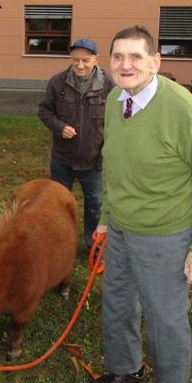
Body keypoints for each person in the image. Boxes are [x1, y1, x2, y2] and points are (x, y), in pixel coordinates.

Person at [89, 26, 192, 383]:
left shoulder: (183, 109)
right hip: (123, 229)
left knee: (165, 320)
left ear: (155, 62)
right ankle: (127, 370)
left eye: (135, 57)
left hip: (166, 235)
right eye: (118, 57)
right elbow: (114, 166)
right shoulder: (115, 99)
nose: (125, 65)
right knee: (118, 303)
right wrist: (105, 219)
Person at [38, 38, 113, 250]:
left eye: (86, 60)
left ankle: (93, 245)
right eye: (76, 60)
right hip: (63, 159)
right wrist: (59, 126)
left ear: (96, 60)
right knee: (59, 206)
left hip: (94, 161)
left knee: (95, 206)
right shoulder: (58, 82)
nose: (80, 65)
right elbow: (44, 111)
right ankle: (60, 244)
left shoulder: (109, 85)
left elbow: (116, 122)